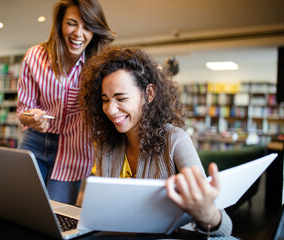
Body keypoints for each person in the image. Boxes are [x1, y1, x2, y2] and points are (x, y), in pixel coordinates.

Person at [79, 47, 232, 236]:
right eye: (105, 100)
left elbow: (223, 226)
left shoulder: (175, 139)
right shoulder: (106, 145)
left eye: (121, 98)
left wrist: (208, 215)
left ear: (149, 93)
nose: (110, 110)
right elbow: (103, 209)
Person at [17, 0, 114, 205]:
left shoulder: (98, 67)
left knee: (59, 217)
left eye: (87, 27)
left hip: (75, 148)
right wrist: (32, 118)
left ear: (95, 31)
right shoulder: (35, 56)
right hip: (35, 140)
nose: (78, 33)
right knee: (21, 207)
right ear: (60, 23)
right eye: (72, 23)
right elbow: (23, 110)